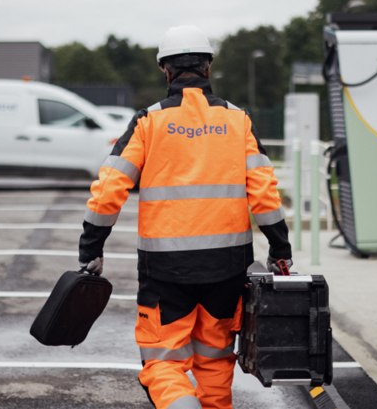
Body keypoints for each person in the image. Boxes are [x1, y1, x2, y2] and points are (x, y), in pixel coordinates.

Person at [78, 25, 292, 409]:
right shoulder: (237, 119)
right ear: (208, 67)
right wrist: (280, 249)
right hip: (228, 267)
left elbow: (109, 189)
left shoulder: (149, 121)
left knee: (162, 361)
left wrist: (91, 248)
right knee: (215, 362)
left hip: (165, 269)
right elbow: (264, 193)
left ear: (165, 70)